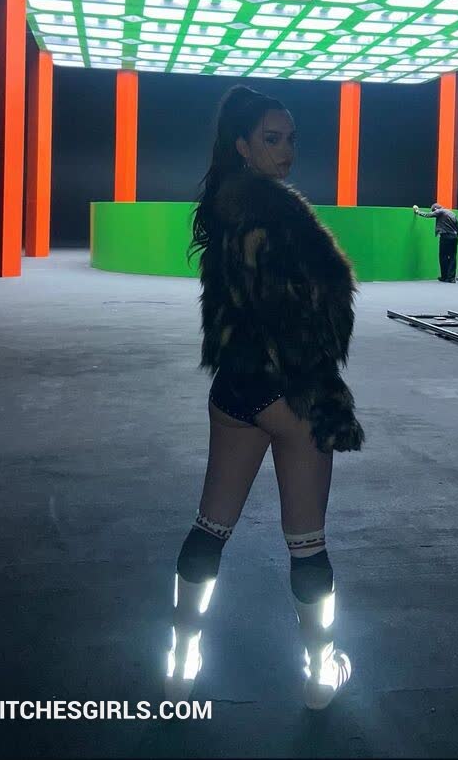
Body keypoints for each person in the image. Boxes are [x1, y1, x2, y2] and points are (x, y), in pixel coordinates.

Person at [170, 85, 364, 711]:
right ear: (243, 146)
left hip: (234, 389)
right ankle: (320, 672)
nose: (286, 152)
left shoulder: (224, 207)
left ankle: (180, 663)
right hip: (293, 394)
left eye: (291, 139)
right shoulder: (281, 220)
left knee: (209, 528)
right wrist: (322, 383)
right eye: (272, 139)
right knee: (307, 543)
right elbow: (304, 318)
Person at [412, 201, 458, 282]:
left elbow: (428, 215)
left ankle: (444, 276)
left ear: (435, 209)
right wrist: (457, 235)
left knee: (443, 256)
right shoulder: (452, 213)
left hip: (445, 236)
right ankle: (451, 278)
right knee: (452, 257)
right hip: (454, 237)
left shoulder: (440, 211)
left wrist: (417, 212)